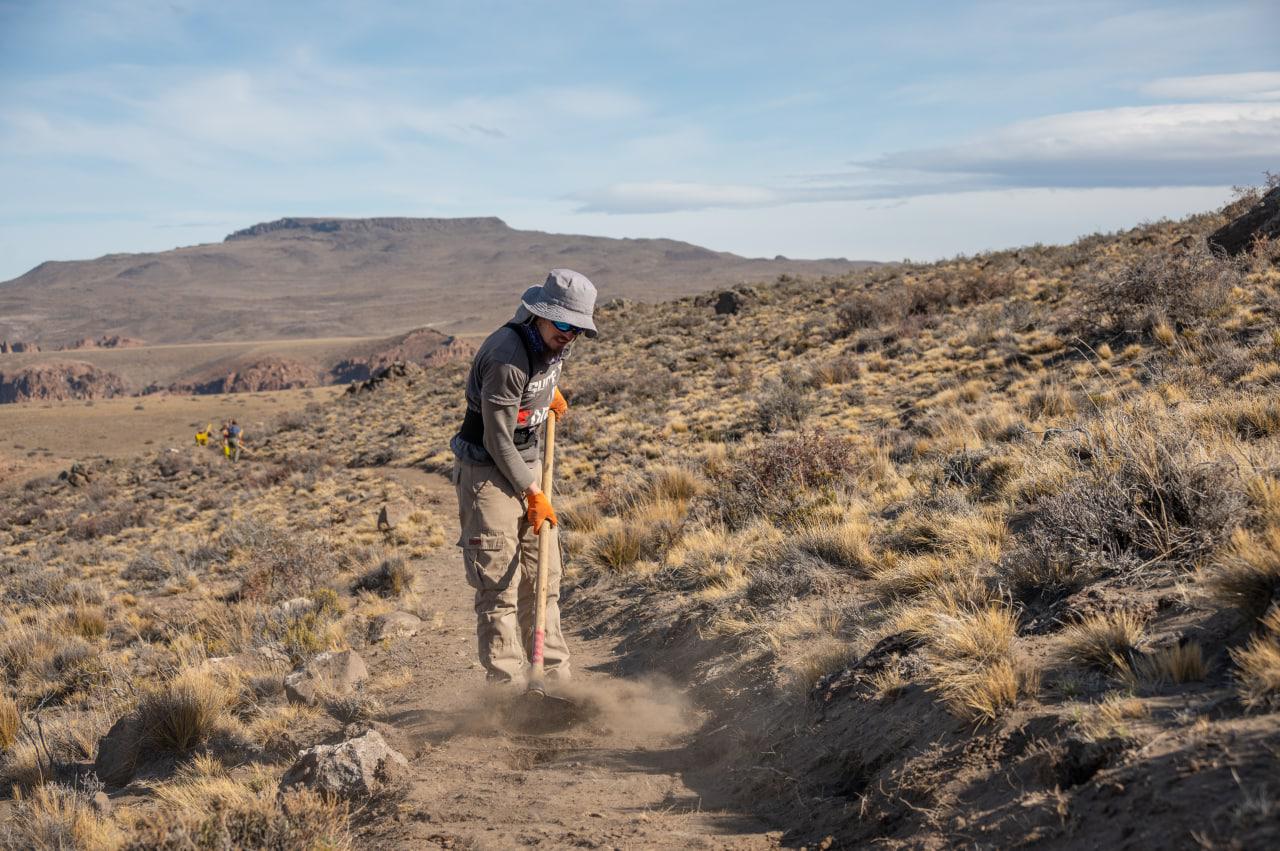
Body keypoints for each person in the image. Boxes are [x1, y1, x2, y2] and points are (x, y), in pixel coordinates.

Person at [451, 269, 598, 688]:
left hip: (530, 460)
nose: (570, 335)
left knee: (544, 578)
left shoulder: (554, 341)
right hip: (488, 470)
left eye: (578, 328)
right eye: (564, 324)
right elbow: (496, 439)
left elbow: (543, 375)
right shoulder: (506, 357)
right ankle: (508, 690)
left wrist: (546, 396)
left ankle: (553, 678)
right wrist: (532, 492)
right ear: (541, 315)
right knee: (498, 582)